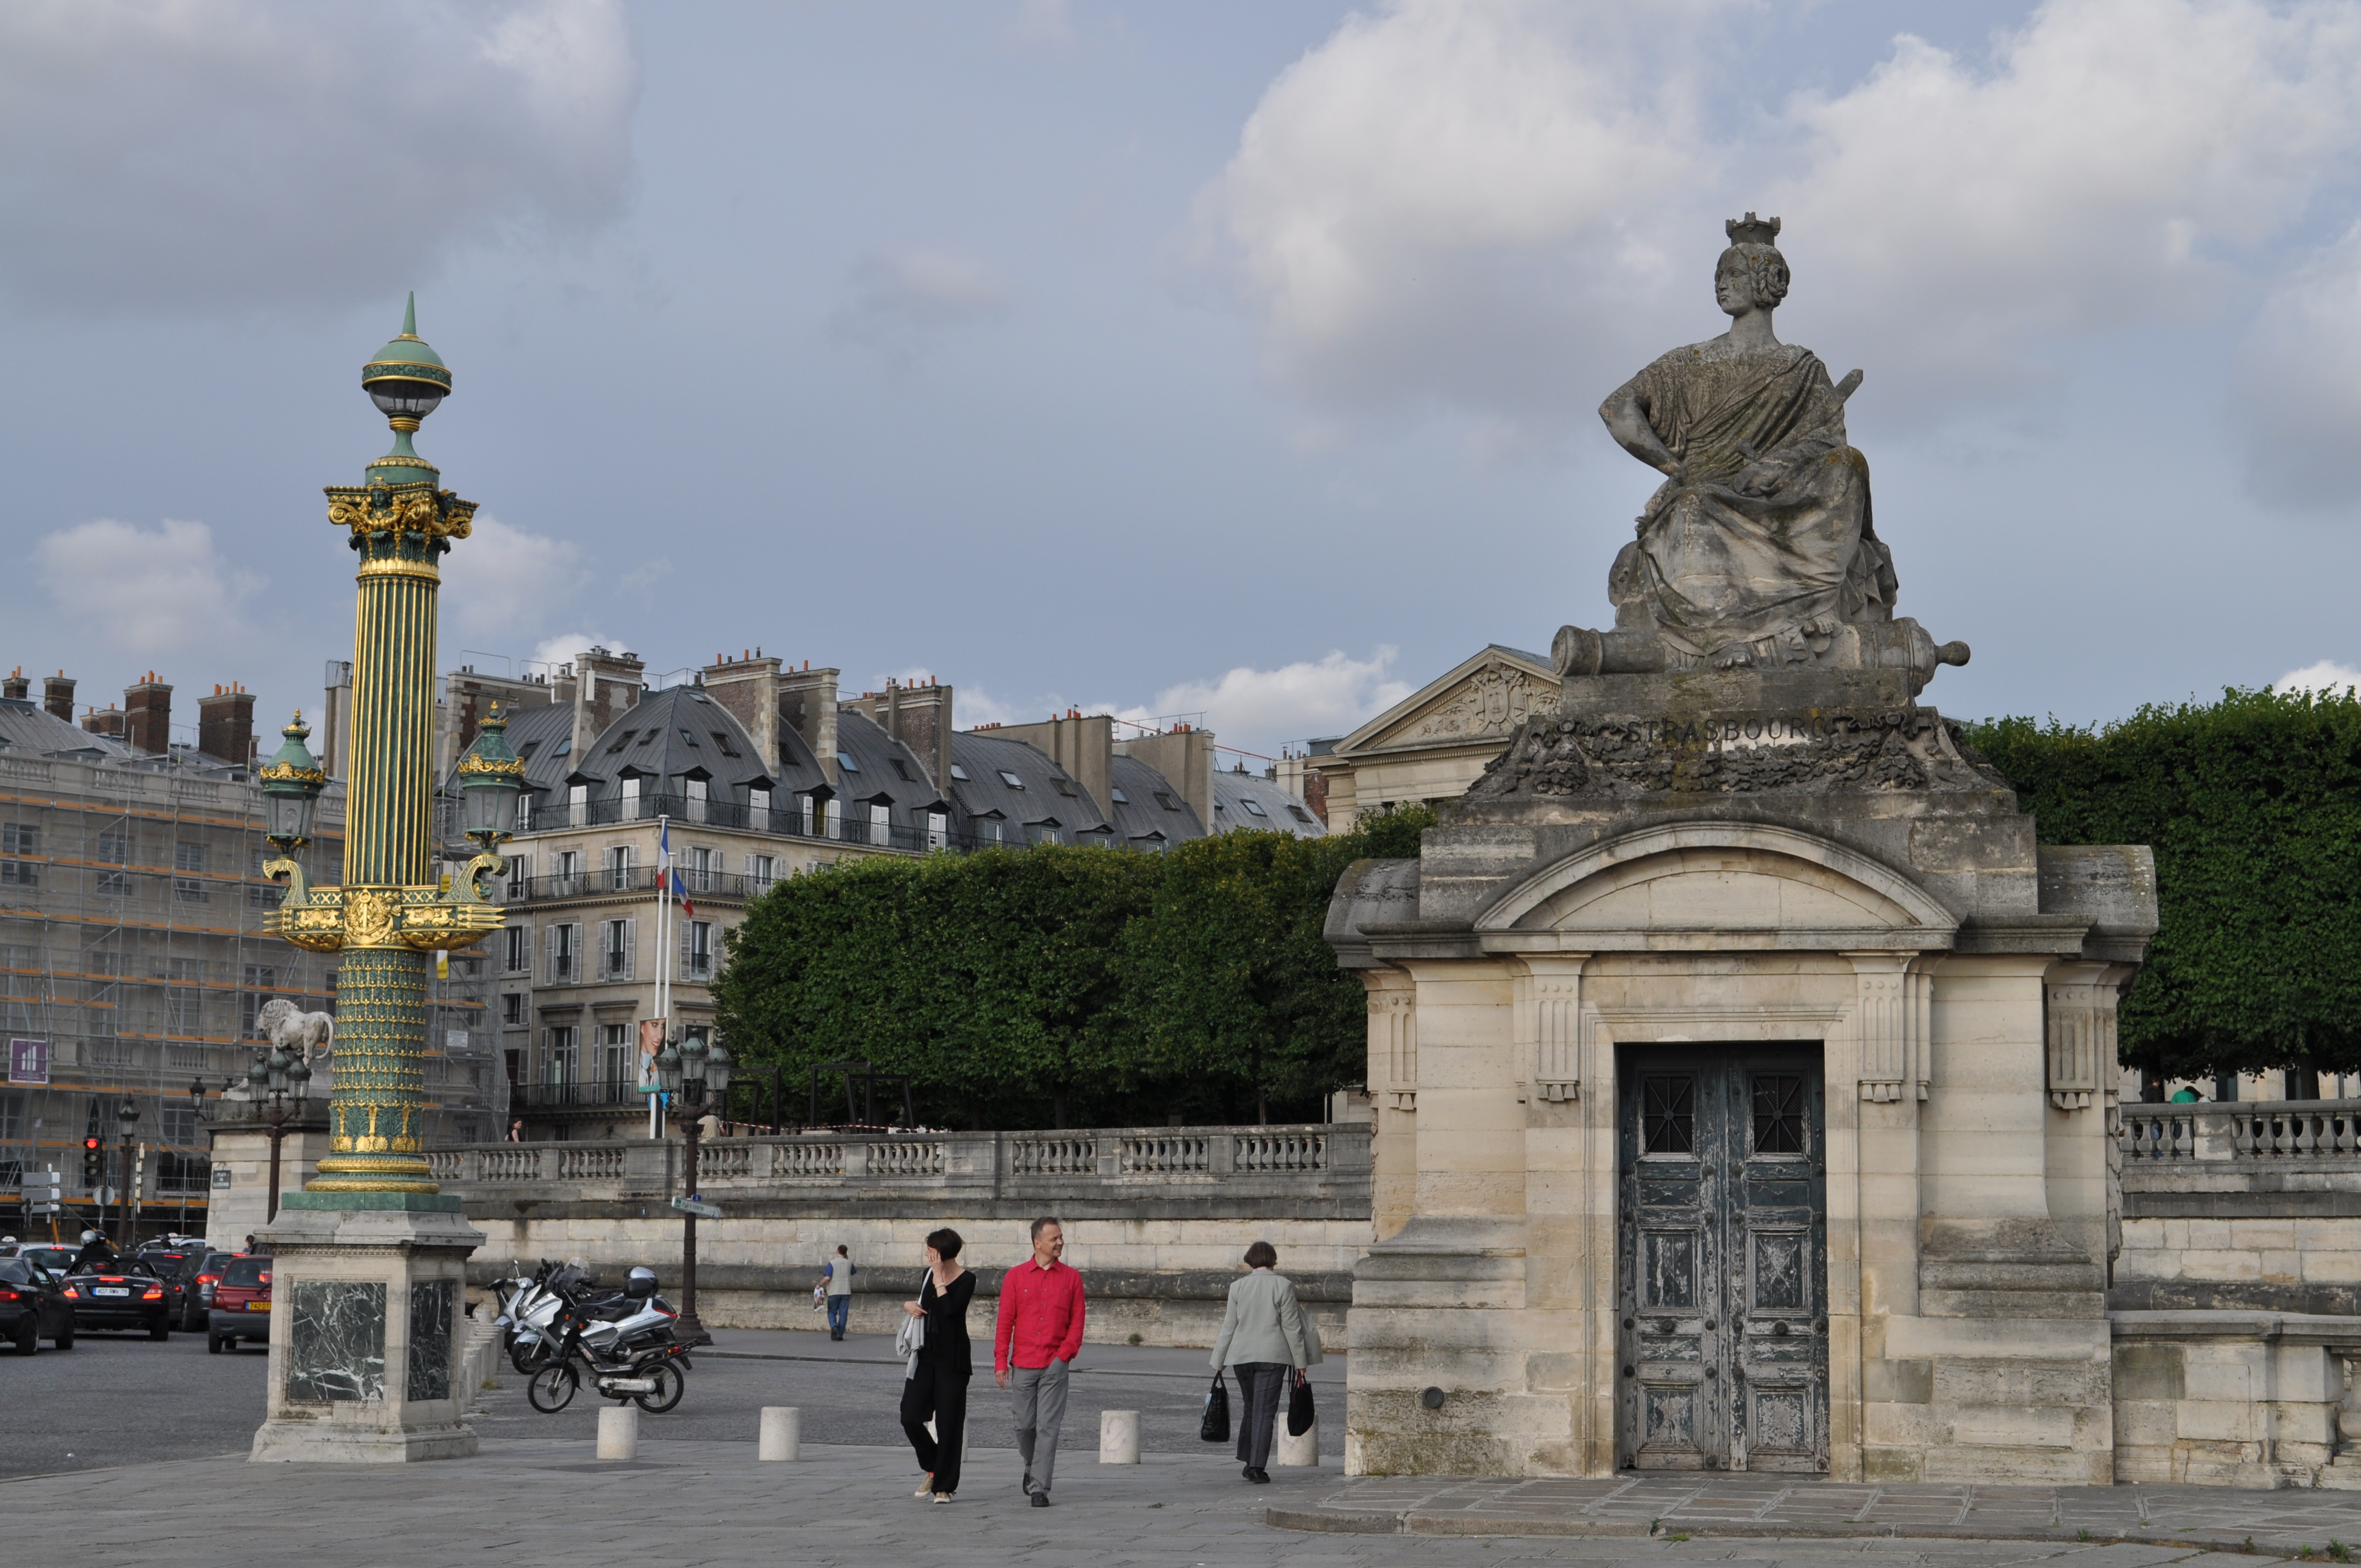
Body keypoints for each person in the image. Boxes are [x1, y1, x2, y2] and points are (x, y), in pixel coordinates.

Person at [1208, 1240, 1324, 1483]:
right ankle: (1256, 1466)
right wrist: (1301, 1363)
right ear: (1273, 1259)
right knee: (1264, 1411)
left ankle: (1248, 1459)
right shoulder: (1283, 1286)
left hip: (1241, 1357)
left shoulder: (1237, 1287)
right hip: (1272, 1356)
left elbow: (1229, 1326)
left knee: (1251, 1407)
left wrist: (1218, 1361)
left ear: (1249, 1259)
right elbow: (1291, 1327)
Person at [994, 1215, 1085, 1507]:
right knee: (1024, 1425)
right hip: (1023, 1362)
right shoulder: (1016, 1276)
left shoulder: (1072, 1278)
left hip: (1055, 1363)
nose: (1060, 1242)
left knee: (1048, 1426)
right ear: (1038, 1243)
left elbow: (1078, 1322)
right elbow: (1005, 1321)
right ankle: (1031, 1466)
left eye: (1060, 1237)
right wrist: (1000, 1361)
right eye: (1054, 1238)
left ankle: (1039, 1489)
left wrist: (1064, 1354)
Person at [899, 1228, 973, 1502]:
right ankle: (933, 1468)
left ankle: (944, 1485)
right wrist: (909, 1305)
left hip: (953, 1360)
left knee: (949, 1423)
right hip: (925, 1356)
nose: (926, 1254)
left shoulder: (967, 1279)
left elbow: (951, 1312)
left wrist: (941, 1277)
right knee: (909, 1416)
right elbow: (924, 1308)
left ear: (941, 1252)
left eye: (931, 1250)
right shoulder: (926, 1275)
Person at [821, 1245, 856, 1340]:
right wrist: (847, 1259)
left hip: (834, 1291)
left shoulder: (832, 1263)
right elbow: (853, 1272)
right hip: (846, 1291)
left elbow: (828, 1277)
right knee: (843, 1313)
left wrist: (820, 1285)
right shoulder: (849, 1263)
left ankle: (834, 1326)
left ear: (837, 1251)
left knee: (832, 1311)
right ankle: (840, 1335)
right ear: (846, 1253)